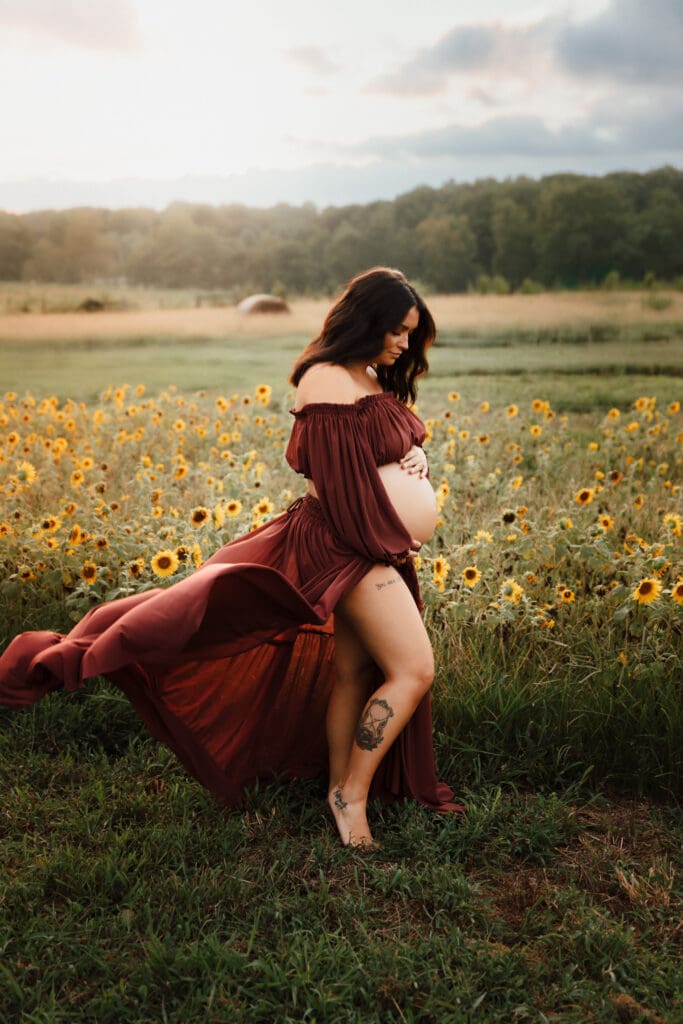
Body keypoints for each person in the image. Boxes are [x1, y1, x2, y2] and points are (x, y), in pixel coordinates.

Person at [0, 267, 463, 848]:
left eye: (410, 332)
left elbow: (385, 451)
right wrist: (389, 536)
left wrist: (417, 457)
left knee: (354, 671)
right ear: (366, 321)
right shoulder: (324, 379)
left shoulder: (368, 376)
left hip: (372, 544)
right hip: (349, 547)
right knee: (414, 669)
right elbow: (339, 485)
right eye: (396, 329)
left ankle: (339, 787)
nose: (403, 342)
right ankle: (352, 795)